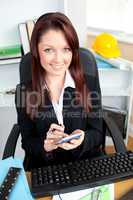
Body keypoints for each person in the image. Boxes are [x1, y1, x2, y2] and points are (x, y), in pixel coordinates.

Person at [16, 12, 103, 170]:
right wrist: (46, 145)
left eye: (66, 49)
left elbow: (97, 132)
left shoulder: (88, 83)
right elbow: (28, 142)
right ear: (36, 50)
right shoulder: (25, 91)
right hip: (45, 169)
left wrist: (83, 139)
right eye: (49, 50)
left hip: (85, 164)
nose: (58, 59)